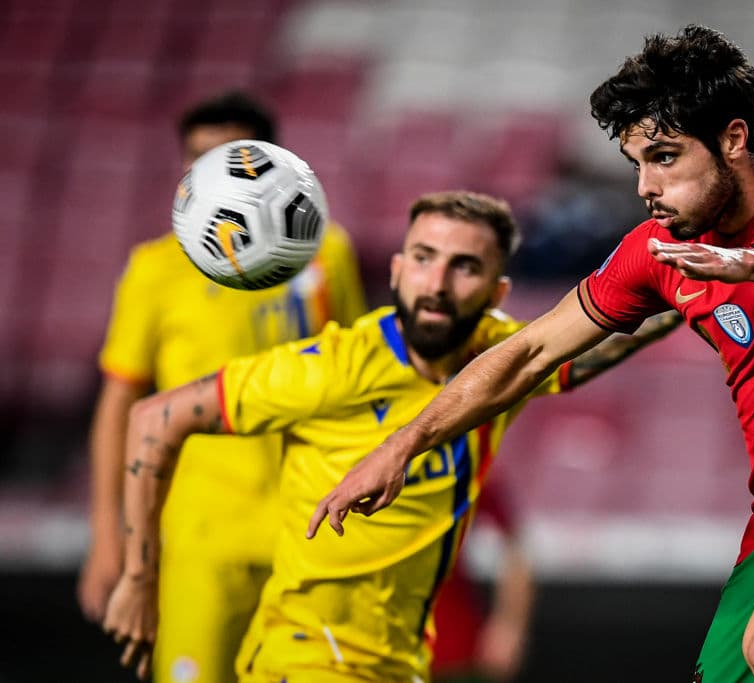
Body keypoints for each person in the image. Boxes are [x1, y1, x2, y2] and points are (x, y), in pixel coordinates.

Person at [307, 25, 754, 683]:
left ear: (734, 139)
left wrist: (746, 263)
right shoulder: (655, 251)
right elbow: (529, 351)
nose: (646, 185)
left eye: (665, 158)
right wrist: (401, 446)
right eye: (637, 163)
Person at [101, 190, 682, 682]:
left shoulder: (500, 359)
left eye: (465, 267)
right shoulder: (333, 367)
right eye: (424, 259)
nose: (437, 283)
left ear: (496, 293)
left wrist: (684, 295)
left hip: (401, 662)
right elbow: (156, 417)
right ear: (397, 270)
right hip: (307, 658)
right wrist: (138, 576)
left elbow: (590, 348)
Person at [78, 90, 367, 683]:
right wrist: (109, 537)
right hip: (199, 536)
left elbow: (358, 381)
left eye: (231, 158)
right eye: (198, 159)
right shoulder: (156, 269)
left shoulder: (327, 254)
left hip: (310, 528)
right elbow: (118, 406)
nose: (211, 174)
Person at [430, 479, 533, 683]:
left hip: (453, 648)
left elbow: (514, 550)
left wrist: (509, 625)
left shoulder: (457, 473)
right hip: (378, 641)